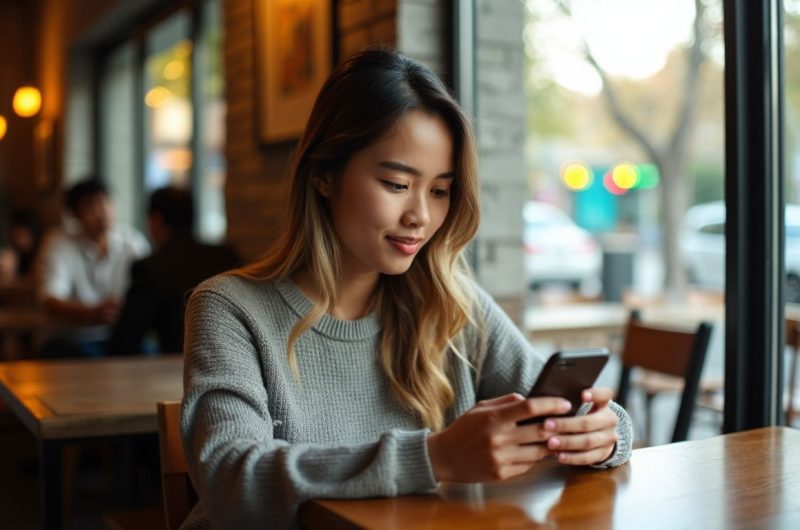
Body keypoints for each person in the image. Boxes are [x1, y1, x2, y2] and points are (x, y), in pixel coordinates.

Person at [180, 48, 633, 530]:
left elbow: (587, 411)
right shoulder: (229, 308)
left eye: (440, 190)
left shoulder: (453, 304)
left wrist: (603, 434)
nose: (421, 215)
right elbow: (230, 482)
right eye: (397, 184)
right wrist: (434, 458)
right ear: (323, 175)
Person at [109, 186, 240, 355]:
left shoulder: (150, 268)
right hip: (235, 361)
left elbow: (125, 341)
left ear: (156, 220)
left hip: (176, 371)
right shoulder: (226, 256)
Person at [36, 178, 150, 357]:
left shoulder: (132, 242)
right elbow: (49, 300)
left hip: (120, 337)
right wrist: (91, 313)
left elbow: (151, 289)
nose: (101, 211)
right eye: (90, 205)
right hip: (71, 338)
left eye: (105, 201)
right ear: (74, 215)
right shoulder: (59, 242)